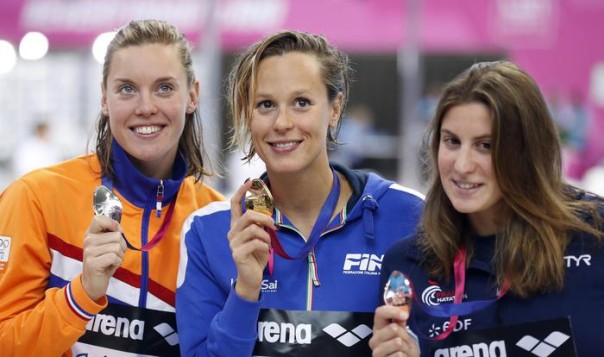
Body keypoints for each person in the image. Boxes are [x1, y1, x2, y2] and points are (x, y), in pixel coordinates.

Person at [176, 30, 424, 356]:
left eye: (301, 103)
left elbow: (450, 340)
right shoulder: (209, 232)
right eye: (265, 105)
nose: (282, 122)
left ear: (335, 108)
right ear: (247, 116)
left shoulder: (409, 216)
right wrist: (247, 290)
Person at [0, 19, 224, 356]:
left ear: (192, 96)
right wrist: (81, 295)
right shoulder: (36, 198)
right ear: (104, 99)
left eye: (164, 87)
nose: (146, 106)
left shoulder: (212, 220)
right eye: (127, 89)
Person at [369, 61, 604, 357]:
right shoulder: (407, 263)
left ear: (528, 150)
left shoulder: (594, 235)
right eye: (452, 141)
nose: (463, 166)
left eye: (486, 145)